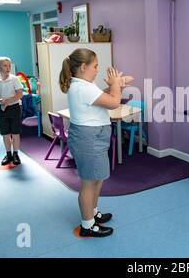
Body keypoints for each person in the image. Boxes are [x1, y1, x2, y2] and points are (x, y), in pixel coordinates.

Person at [59, 48, 133, 238]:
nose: (97, 70)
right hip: (88, 138)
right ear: (83, 67)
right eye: (95, 66)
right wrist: (116, 85)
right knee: (89, 182)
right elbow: (114, 102)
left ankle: (92, 213)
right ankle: (87, 225)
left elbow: (104, 97)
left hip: (93, 137)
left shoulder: (85, 86)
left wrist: (118, 85)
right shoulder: (82, 87)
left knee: (96, 178)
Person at [0, 57, 24, 166]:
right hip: (2, 110)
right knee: (5, 133)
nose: (8, 67)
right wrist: (0, 101)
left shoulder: (14, 79)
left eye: (9, 65)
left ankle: (16, 154)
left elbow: (19, 94)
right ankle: (8, 154)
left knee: (15, 132)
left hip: (14, 108)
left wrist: (7, 102)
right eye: (5, 65)